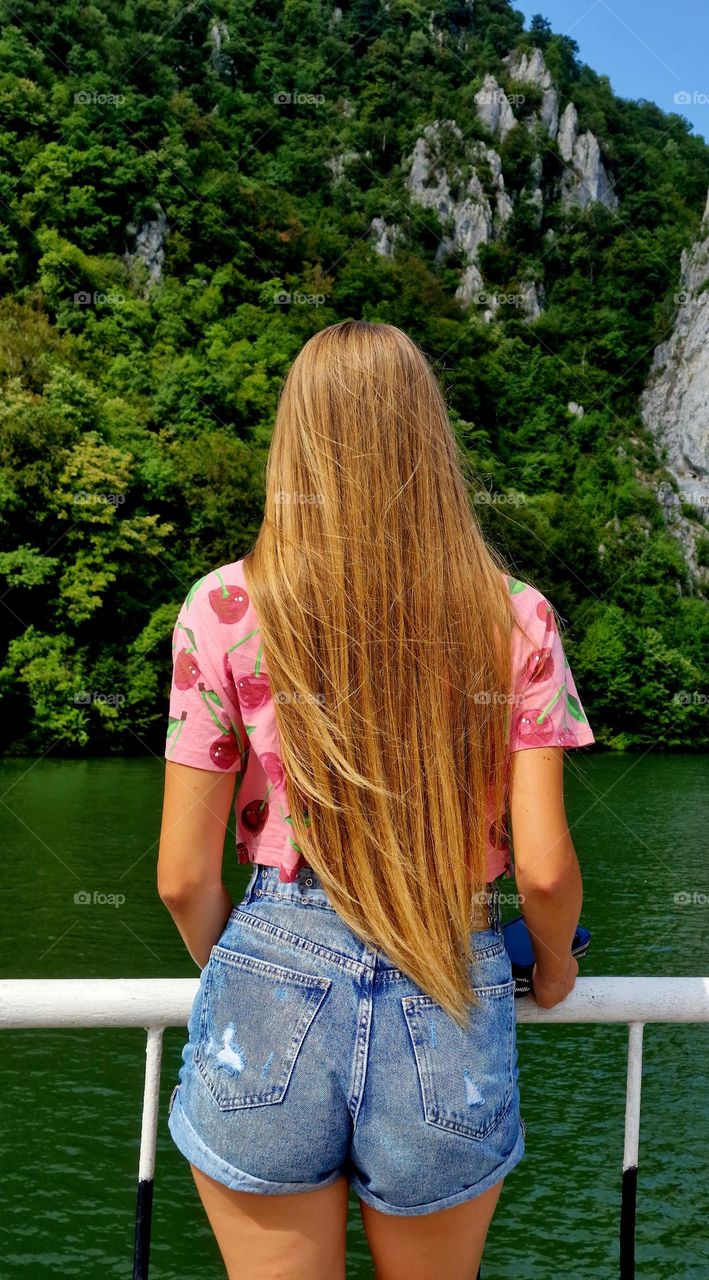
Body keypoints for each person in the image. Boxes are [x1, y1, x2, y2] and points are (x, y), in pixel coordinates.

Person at [157, 319, 595, 1280]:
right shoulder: (514, 616)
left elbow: (185, 880)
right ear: (429, 447)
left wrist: (246, 974)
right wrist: (554, 965)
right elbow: (545, 868)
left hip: (267, 979)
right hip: (446, 973)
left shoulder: (221, 609)